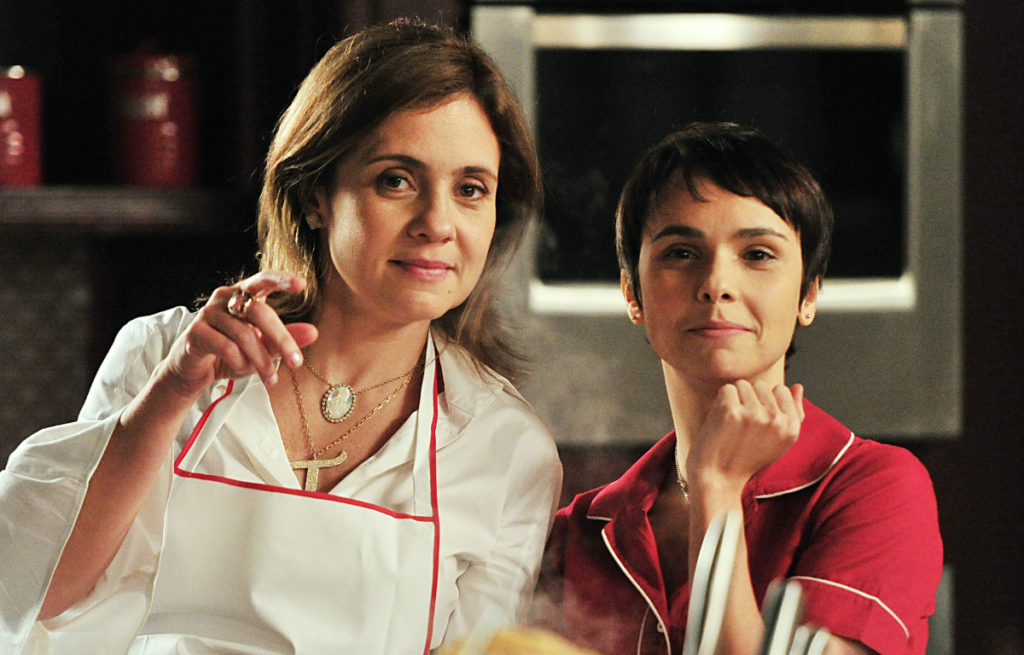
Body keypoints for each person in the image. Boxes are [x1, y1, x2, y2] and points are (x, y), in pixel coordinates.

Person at [0, 21, 562, 655]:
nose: (437, 222)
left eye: (470, 190)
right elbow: (37, 598)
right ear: (316, 195)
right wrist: (170, 394)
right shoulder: (161, 358)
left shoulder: (507, 448)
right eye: (396, 180)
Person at [536, 123, 942, 655]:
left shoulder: (875, 488)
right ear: (632, 293)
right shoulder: (580, 532)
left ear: (808, 296)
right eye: (681, 253)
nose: (716, 285)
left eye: (758, 255)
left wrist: (717, 487)